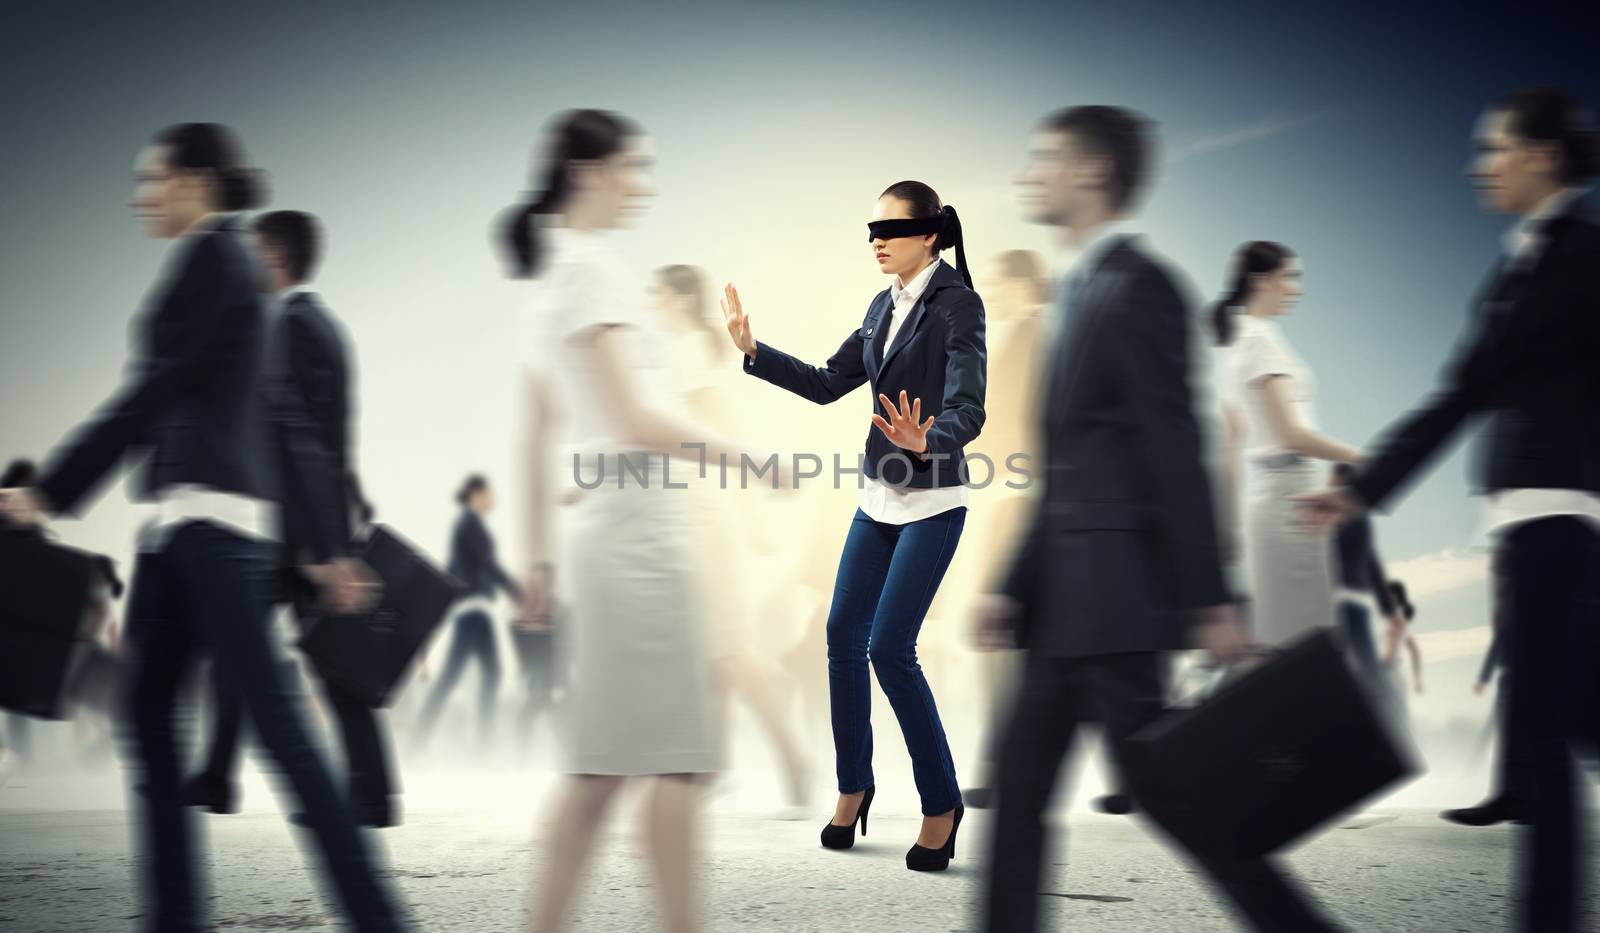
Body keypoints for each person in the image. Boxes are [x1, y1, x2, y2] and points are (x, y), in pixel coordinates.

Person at [0, 123, 405, 932]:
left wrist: (50, 490)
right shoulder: (236, 275)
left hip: (209, 534)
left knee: (280, 735)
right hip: (182, 531)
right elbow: (283, 421)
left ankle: (377, 919)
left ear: (196, 179)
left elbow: (152, 393)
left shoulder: (214, 260)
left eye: (152, 178)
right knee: (152, 724)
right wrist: (323, 547)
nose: (140, 194)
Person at [975, 105, 1345, 933]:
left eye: (1046, 159)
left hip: (1114, 605)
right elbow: (1066, 466)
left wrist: (1210, 602)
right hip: (1059, 605)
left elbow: (1174, 451)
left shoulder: (1145, 288)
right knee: (1021, 787)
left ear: (1093, 172)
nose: (1030, 174)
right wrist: (1012, 583)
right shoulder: (1074, 291)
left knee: (1176, 794)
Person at [1297, 87, 1600, 933]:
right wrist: (1363, 486)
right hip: (1523, 515)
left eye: (1496, 147)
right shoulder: (1521, 266)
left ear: (1542, 156)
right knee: (1540, 732)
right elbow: (1461, 394)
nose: (1480, 163)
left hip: (1562, 510)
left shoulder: (1582, 259)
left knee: (1544, 736)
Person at [508, 108, 776, 933]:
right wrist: (752, 458)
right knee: (669, 759)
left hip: (608, 532)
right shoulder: (593, 272)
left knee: (611, 765)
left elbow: (538, 432)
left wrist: (539, 562)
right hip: (639, 537)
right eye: (633, 166)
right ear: (590, 169)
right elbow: (631, 417)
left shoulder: (555, 277)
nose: (642, 184)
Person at [724, 179, 986, 870]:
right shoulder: (880, 305)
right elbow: (823, 381)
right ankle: (854, 785)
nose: (876, 239)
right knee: (842, 633)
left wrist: (928, 438)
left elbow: (970, 405)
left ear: (930, 233)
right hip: (877, 497)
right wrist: (755, 350)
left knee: (890, 650)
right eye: (870, 228)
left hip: (932, 501)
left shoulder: (958, 304)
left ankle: (941, 803)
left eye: (890, 228)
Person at [182, 209, 399, 827]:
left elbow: (303, 441)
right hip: (300, 524)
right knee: (245, 646)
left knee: (329, 661)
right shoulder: (316, 324)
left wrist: (320, 544)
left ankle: (371, 794)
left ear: (276, 256)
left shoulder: (293, 327)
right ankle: (220, 776)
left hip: (299, 532)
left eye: (253, 252)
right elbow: (329, 443)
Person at [649, 263, 812, 815]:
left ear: (675, 299)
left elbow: (721, 435)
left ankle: (793, 760)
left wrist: (756, 510)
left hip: (701, 516)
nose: (649, 302)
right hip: (687, 514)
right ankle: (713, 764)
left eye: (655, 294)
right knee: (712, 650)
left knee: (729, 650)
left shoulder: (691, 347)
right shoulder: (677, 350)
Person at [1212, 241, 1361, 647]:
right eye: (1291, 277)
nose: (1296, 288)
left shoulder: (1234, 346)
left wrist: (1231, 524)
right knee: (1311, 645)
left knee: (1285, 644)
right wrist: (1366, 458)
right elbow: (1291, 436)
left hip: (1267, 501)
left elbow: (1229, 446)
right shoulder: (1261, 341)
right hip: (1295, 500)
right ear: (1262, 281)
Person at [412, 474, 521, 751]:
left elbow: (452, 570)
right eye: (489, 493)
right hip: (473, 611)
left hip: (475, 611)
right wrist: (518, 592)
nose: (493, 500)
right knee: (453, 677)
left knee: (489, 673)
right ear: (476, 493)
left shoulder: (465, 526)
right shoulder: (468, 523)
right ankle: (420, 744)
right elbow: (489, 564)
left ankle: (478, 746)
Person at [1330, 462, 1408, 692]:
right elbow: (1373, 567)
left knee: (1354, 662)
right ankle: (1377, 699)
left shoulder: (1345, 516)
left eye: (1332, 482)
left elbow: (1372, 567)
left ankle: (1376, 704)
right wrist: (1390, 611)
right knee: (1364, 660)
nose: (1329, 487)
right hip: (1357, 601)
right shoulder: (1361, 518)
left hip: (1341, 600)